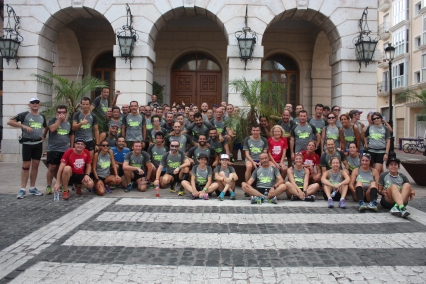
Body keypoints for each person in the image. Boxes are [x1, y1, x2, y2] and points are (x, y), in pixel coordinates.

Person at [8, 97, 48, 199]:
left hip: (38, 144)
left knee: (36, 165)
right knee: (26, 165)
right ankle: (22, 189)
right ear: (29, 105)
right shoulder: (24, 115)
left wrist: (43, 135)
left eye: (37, 102)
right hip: (27, 143)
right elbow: (10, 122)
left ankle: (32, 187)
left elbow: (45, 126)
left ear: (39, 105)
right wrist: (24, 126)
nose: (35, 104)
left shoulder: (42, 116)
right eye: (33, 102)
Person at [45, 105, 73, 195]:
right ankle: (49, 186)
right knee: (52, 167)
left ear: (66, 113)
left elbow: (71, 135)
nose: (61, 114)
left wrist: (71, 147)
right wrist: (59, 120)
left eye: (63, 112)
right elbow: (52, 129)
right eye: (59, 112)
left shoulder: (69, 123)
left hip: (65, 149)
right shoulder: (53, 120)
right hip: (53, 148)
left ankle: (61, 184)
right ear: (56, 113)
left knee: (63, 168)